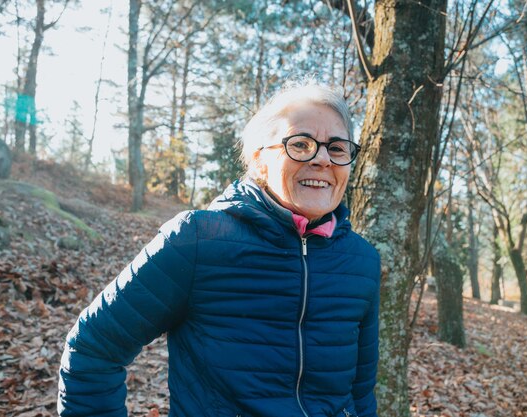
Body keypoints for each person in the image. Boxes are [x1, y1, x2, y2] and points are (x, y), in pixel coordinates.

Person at [58, 81, 381, 417]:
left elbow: (360, 395)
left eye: (337, 148)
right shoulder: (198, 240)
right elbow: (93, 350)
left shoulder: (362, 261)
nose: (322, 160)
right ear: (259, 163)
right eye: (300, 144)